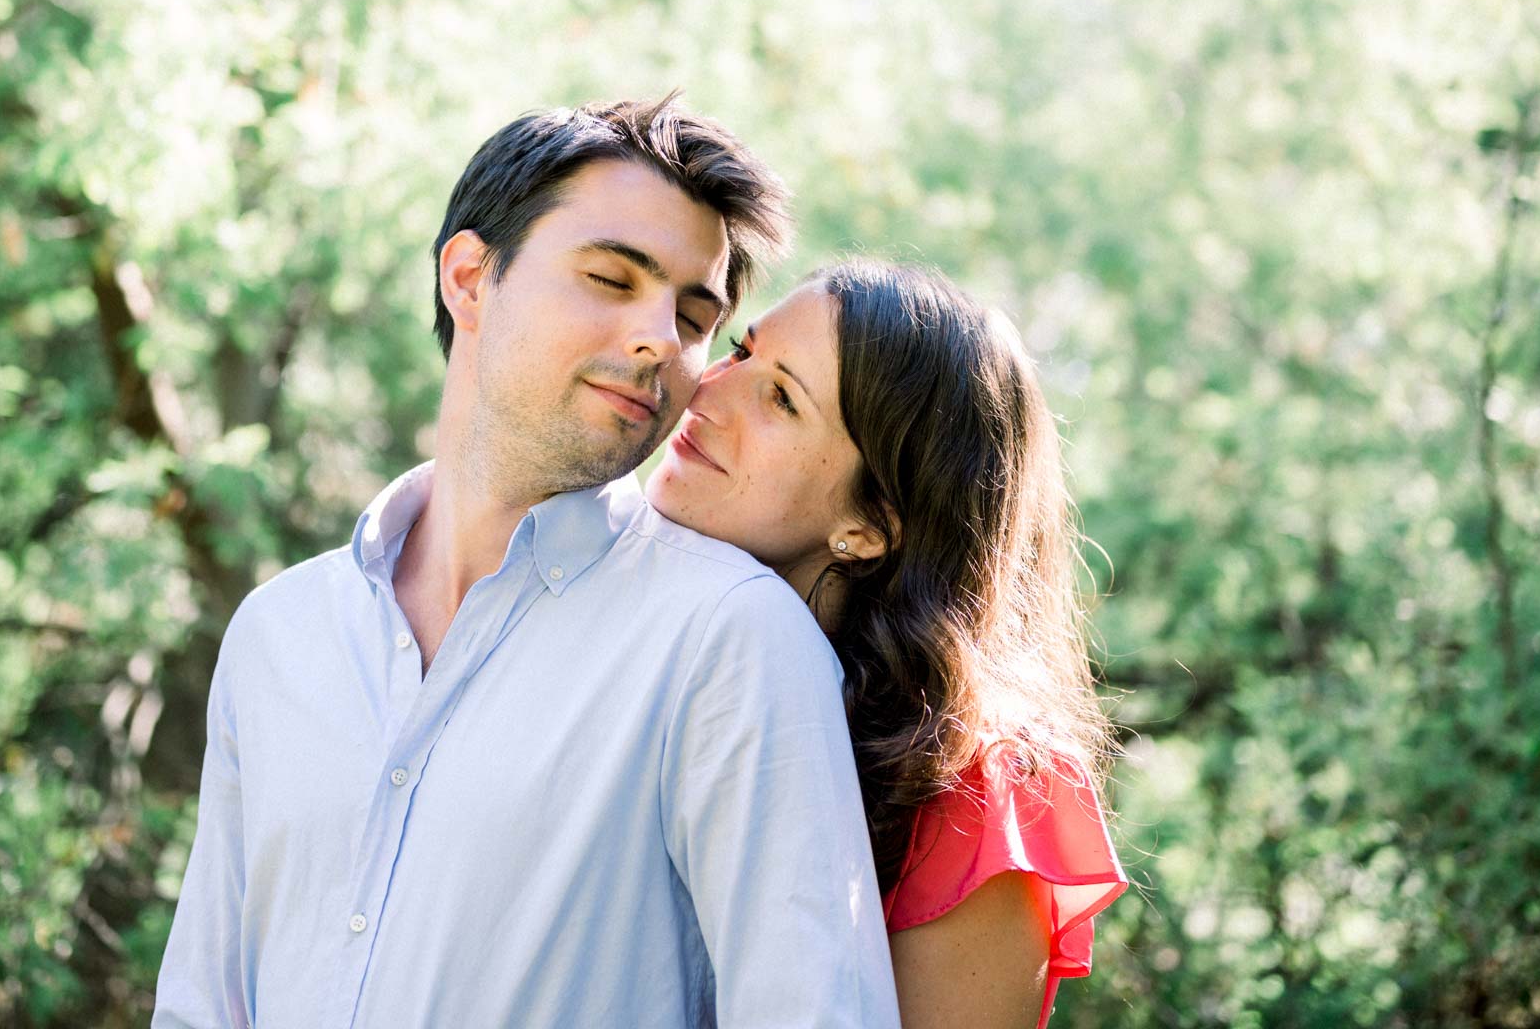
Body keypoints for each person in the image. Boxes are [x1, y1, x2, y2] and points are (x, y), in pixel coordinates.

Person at [153, 98, 900, 1027]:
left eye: (692, 314)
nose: (661, 340)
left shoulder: (730, 640)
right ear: (470, 278)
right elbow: (201, 1006)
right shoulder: (278, 634)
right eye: (610, 278)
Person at [647, 259, 1128, 1029]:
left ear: (869, 527)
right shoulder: (656, 634)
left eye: (780, 398)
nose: (706, 394)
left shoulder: (977, 787)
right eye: (741, 350)